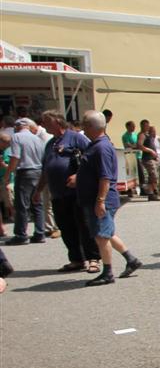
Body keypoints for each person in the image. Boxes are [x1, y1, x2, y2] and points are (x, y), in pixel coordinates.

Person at [77, 110, 143, 286]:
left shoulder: (101, 147)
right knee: (107, 232)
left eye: (85, 125)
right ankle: (131, 259)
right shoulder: (97, 144)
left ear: (91, 127)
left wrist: (100, 201)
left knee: (101, 235)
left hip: (102, 200)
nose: (83, 128)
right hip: (97, 198)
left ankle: (107, 272)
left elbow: (105, 177)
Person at [34, 110, 100, 273]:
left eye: (47, 121)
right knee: (66, 227)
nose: (44, 125)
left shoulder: (76, 137)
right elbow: (45, 169)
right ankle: (76, 259)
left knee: (84, 226)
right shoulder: (51, 143)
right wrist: (38, 190)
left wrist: (79, 176)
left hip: (76, 193)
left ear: (57, 121)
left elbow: (91, 159)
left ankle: (93, 258)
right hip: (58, 194)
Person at [6, 118, 46, 245]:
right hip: (38, 171)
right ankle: (40, 233)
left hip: (25, 172)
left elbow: (15, 157)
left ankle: (20, 235)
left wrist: (8, 174)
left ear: (17, 126)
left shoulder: (16, 137)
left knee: (22, 205)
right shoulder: (37, 138)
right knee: (37, 203)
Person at [136, 120, 160, 200]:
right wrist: (150, 151)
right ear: (141, 126)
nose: (147, 127)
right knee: (153, 176)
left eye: (147, 125)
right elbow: (139, 145)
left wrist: (155, 155)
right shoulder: (142, 135)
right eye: (145, 125)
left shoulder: (148, 134)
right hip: (147, 159)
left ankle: (152, 193)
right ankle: (152, 192)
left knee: (152, 176)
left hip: (152, 158)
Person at [0, 132, 12, 236]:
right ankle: (1, 228)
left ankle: (18, 223)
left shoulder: (9, 150)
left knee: (10, 203)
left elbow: (12, 167)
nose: (8, 144)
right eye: (6, 143)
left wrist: (3, 164)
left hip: (7, 180)